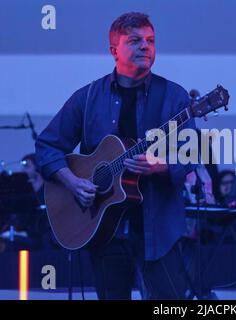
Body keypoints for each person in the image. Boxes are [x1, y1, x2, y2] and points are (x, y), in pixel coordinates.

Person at [35, 12, 196, 299]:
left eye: (150, 40)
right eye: (135, 40)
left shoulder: (174, 97)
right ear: (114, 51)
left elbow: (190, 154)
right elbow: (47, 146)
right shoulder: (87, 97)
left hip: (158, 230)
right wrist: (73, 182)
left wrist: (160, 166)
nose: (145, 46)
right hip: (103, 231)